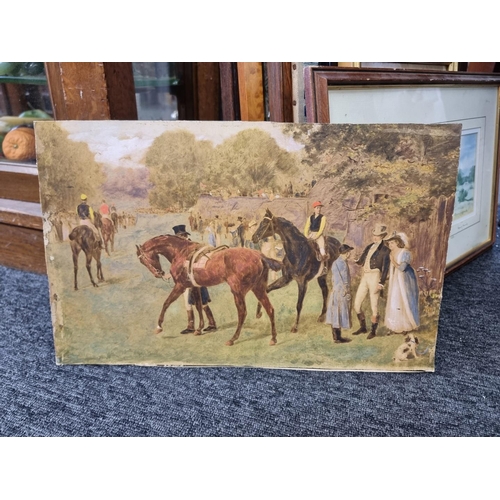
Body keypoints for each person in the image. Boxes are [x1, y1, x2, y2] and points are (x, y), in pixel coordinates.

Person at [172, 225, 217, 334]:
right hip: (185, 279)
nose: (181, 238)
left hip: (195, 278)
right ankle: (191, 326)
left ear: (185, 236)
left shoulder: (191, 247)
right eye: (179, 237)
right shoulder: (180, 248)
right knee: (187, 303)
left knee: (202, 302)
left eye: (182, 236)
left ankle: (211, 323)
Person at [352, 223, 391, 340]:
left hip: (375, 276)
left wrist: (381, 283)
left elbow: (385, 268)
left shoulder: (385, 250)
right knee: (356, 304)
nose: (375, 237)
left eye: (377, 235)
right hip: (365, 276)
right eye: (374, 235)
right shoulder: (369, 246)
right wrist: (356, 260)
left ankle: (373, 331)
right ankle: (363, 327)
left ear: (382, 236)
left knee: (374, 305)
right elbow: (361, 261)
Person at [384, 232, 420, 335]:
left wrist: (392, 260)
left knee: (404, 301)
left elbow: (402, 268)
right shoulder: (392, 253)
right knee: (394, 301)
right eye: (389, 243)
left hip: (405, 281)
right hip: (396, 280)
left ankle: (406, 326)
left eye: (392, 243)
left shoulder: (405, 253)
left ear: (397, 242)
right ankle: (395, 326)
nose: (390, 245)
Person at [325, 244, 353, 343]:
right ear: (346, 253)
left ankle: (338, 336)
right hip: (339, 291)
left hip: (341, 290)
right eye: (349, 252)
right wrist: (344, 289)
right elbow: (338, 278)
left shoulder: (342, 262)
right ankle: (336, 338)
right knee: (337, 312)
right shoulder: (339, 263)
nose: (350, 253)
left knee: (339, 313)